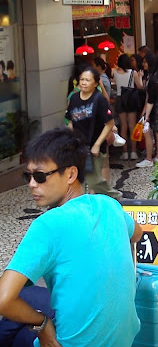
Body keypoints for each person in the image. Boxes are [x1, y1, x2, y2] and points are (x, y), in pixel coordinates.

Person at [0, 127, 142, 347]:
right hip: (124, 339)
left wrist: (42, 323)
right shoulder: (109, 205)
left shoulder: (48, 225)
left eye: (40, 176)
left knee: (15, 317)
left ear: (71, 174)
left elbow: (3, 299)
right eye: (28, 176)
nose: (32, 184)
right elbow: (137, 233)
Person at [65, 67, 121, 199]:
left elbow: (110, 123)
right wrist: (71, 139)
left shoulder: (99, 99)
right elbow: (70, 121)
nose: (84, 83)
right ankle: (81, 203)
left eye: (88, 80)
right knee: (79, 179)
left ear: (96, 83)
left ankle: (115, 197)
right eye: (82, 79)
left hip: (95, 146)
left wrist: (97, 144)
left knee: (93, 180)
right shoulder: (74, 98)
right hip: (79, 146)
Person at [113, 54, 144, 161]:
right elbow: (140, 87)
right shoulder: (133, 73)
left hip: (120, 99)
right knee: (132, 126)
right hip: (130, 99)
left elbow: (115, 84)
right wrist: (140, 77)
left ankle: (125, 152)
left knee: (123, 126)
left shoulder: (115, 73)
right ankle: (134, 152)